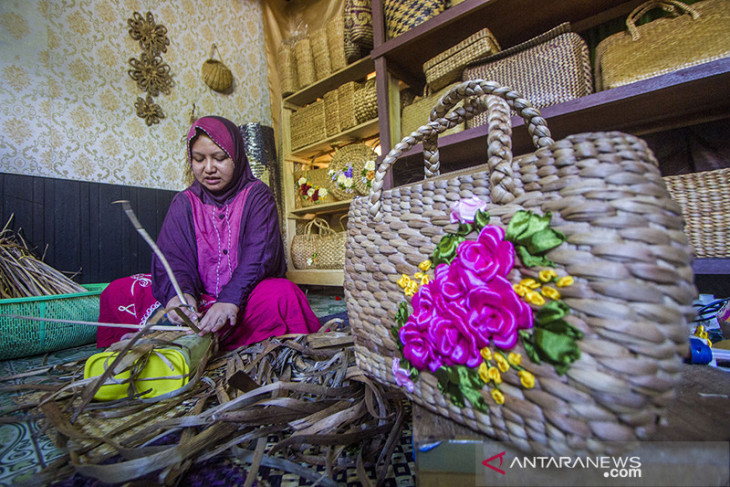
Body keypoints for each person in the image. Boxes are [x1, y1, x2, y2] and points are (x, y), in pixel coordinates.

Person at [97, 116, 321, 350]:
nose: (209, 168)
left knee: (282, 294)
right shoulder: (184, 202)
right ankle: (189, 330)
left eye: (220, 158)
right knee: (118, 291)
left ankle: (202, 338)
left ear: (236, 156)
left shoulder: (257, 195)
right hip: (199, 300)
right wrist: (181, 298)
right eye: (199, 159)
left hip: (244, 298)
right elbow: (173, 257)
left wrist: (230, 299)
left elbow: (260, 255)